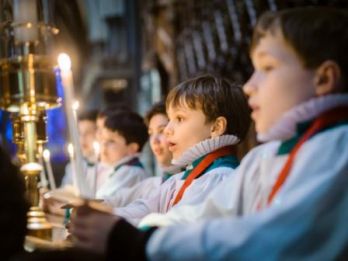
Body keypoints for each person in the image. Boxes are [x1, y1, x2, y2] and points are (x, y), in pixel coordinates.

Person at [72, 7, 348, 260]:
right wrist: (114, 223)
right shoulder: (262, 157)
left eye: (267, 68)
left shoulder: (338, 149)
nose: (250, 86)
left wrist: (138, 240)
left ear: (323, 78)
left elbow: (274, 238)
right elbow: (197, 215)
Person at [70, 74, 251, 241]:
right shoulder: (181, 178)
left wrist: (109, 225)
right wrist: (98, 214)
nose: (168, 130)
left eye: (179, 119)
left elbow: (173, 227)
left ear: (216, 127)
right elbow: (144, 208)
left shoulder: (221, 178)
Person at [103, 101, 174, 208]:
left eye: (162, 131)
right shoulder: (158, 182)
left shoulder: (134, 172)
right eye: (151, 133)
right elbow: (120, 200)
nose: (154, 140)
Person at [95, 110, 149, 199]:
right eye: (103, 139)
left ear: (132, 148)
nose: (103, 145)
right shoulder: (119, 169)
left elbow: (104, 201)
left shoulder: (132, 172)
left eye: (111, 141)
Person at [61, 109, 99, 189]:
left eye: (88, 132)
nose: (82, 138)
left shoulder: (107, 167)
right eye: (79, 133)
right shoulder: (73, 167)